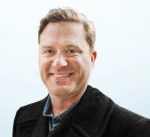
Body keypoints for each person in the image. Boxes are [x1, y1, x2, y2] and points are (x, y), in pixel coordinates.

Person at [13, 7, 150, 137]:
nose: (59, 63)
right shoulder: (23, 117)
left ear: (92, 58)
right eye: (49, 51)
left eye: (71, 51)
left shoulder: (135, 129)